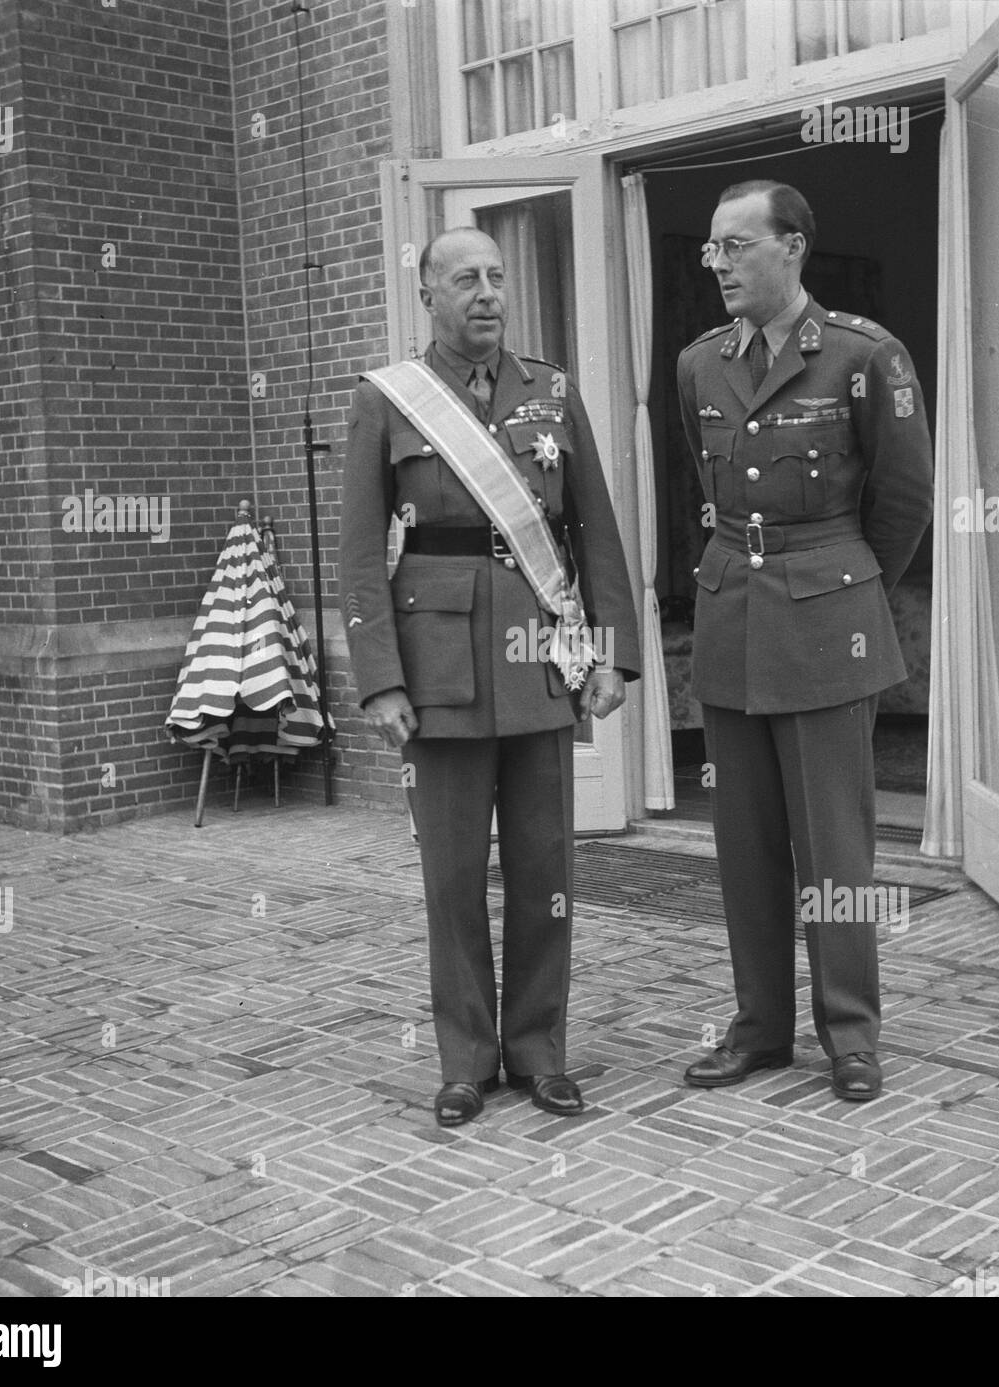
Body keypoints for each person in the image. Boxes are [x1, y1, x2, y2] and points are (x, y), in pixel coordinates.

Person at [340, 227, 640, 1127]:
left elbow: (596, 532)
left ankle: (540, 1050)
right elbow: (360, 555)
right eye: (465, 278)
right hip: (439, 676)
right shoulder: (387, 402)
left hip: (542, 669)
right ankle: (467, 1058)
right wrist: (381, 679)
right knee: (455, 878)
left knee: (549, 870)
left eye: (498, 277)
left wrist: (613, 653)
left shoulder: (553, 392)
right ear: (427, 293)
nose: (487, 293)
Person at [676, 180, 932, 1101]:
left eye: (736, 246)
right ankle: (759, 1029)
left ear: (793, 249)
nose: (721, 265)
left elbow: (903, 502)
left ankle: (851, 1033)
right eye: (712, 250)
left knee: (837, 848)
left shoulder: (865, 356)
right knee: (744, 845)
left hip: (829, 623)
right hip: (731, 618)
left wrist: (849, 590)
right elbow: (707, 490)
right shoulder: (700, 364)